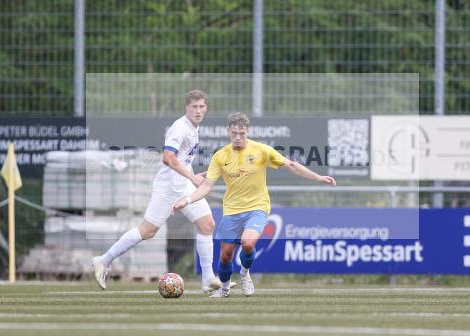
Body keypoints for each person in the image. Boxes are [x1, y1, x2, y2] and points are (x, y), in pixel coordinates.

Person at [172, 112, 337, 298]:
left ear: (247, 131)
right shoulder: (220, 156)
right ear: (228, 132)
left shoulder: (261, 150)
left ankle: (244, 273)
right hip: (232, 210)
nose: (238, 137)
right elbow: (207, 186)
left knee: (248, 243)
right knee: (225, 255)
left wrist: (318, 177)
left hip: (258, 206)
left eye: (242, 133)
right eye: (234, 133)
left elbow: (290, 165)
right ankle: (224, 288)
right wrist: (186, 200)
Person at [92, 90, 225, 293]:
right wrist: (191, 177)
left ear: (206, 108)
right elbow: (167, 158)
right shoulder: (180, 128)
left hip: (184, 185)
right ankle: (103, 261)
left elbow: (180, 160)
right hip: (168, 188)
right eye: (194, 107)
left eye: (202, 107)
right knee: (147, 231)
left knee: (207, 225)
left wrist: (192, 175)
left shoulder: (194, 127)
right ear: (186, 108)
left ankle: (208, 279)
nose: (198, 111)